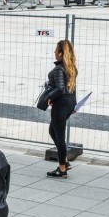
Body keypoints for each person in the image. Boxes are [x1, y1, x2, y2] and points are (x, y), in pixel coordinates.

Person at [45, 39, 78, 178]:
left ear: (60, 53)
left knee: (59, 137)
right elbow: (72, 87)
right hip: (69, 102)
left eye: (55, 50)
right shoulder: (71, 67)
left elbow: (60, 89)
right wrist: (74, 104)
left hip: (61, 105)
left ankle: (62, 168)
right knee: (53, 130)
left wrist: (49, 98)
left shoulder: (59, 69)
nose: (54, 52)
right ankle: (64, 160)